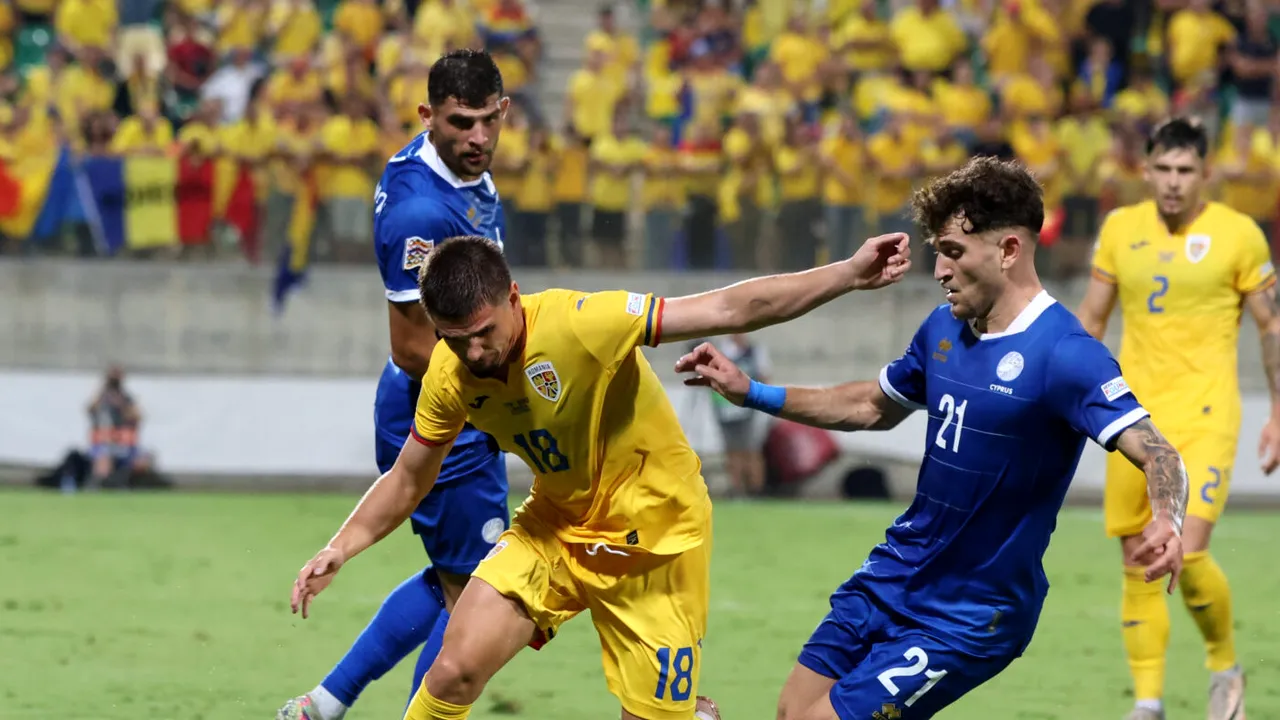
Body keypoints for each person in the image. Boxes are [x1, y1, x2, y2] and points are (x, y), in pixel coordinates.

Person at [290, 231, 913, 720]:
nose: (475, 354)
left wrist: (847, 274)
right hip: (555, 527)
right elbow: (407, 478)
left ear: (512, 298)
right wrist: (339, 547)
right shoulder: (450, 376)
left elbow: (731, 306)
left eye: (483, 334)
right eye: (456, 341)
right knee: (450, 670)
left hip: (656, 538)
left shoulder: (583, 325)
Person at [675, 156, 1189, 720]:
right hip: (896, 571)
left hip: (972, 611)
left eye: (953, 252)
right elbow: (871, 406)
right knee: (794, 712)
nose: (939, 270)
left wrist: (1167, 516)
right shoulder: (942, 328)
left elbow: (1157, 449)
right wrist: (754, 392)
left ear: (1009, 251)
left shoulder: (1066, 354)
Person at [276, 49, 513, 720]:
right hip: (438, 407)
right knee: (478, 596)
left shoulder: (461, 174)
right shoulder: (419, 213)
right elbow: (413, 350)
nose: (479, 138)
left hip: (454, 400)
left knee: (453, 582)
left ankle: (323, 705)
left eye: (488, 121)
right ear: (427, 116)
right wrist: (504, 381)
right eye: (462, 123)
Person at [1075, 117, 1279, 720]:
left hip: (1206, 414)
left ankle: (1224, 669)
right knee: (1138, 555)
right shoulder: (1119, 229)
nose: (1172, 182)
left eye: (1185, 171)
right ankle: (1148, 703)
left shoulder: (1239, 235)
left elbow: (1270, 327)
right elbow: (1091, 317)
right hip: (1132, 417)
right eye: (1163, 169)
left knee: (1183, 550)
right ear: (1146, 170)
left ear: (1205, 174)